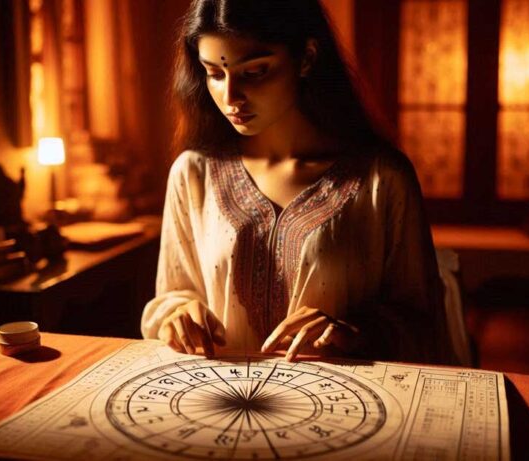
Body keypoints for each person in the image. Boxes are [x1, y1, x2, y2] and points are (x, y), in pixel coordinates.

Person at [141, 0, 458, 365]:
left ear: (306, 58)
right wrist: (177, 316)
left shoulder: (380, 179)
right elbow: (173, 295)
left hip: (346, 410)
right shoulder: (193, 174)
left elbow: (423, 322)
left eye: (255, 71)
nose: (230, 98)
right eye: (214, 73)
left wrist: (354, 331)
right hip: (221, 405)